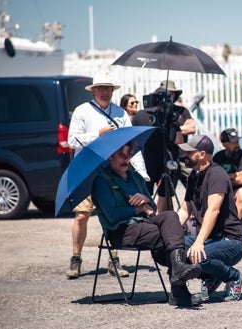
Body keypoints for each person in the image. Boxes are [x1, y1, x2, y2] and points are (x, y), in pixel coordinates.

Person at [91, 142, 202, 307]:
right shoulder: (102, 181)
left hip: (145, 224)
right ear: (110, 156)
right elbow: (112, 216)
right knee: (169, 235)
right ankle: (179, 290)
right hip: (122, 230)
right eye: (121, 155)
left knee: (171, 217)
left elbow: (153, 206)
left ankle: (178, 268)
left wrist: (145, 200)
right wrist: (137, 209)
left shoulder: (135, 177)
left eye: (128, 155)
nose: (125, 159)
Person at [66, 72, 149, 279]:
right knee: (82, 215)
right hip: (87, 170)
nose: (104, 91)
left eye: (108, 88)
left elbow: (132, 144)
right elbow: (72, 141)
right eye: (101, 88)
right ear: (93, 91)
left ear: (112, 91)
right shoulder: (82, 111)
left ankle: (114, 259)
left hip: (114, 170)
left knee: (114, 214)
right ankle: (76, 258)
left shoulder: (120, 113)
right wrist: (99, 135)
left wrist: (141, 172)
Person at [176, 135, 242, 302]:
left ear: (201, 154)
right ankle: (211, 276)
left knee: (198, 255)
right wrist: (168, 234)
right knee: (175, 247)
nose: (184, 156)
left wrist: (199, 242)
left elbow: (213, 210)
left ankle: (232, 276)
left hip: (231, 241)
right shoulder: (194, 175)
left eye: (189, 153)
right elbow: (185, 210)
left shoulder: (217, 174)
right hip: (210, 239)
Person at [133, 80, 196, 212]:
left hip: (168, 158)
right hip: (158, 159)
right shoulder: (165, 115)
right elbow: (178, 139)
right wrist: (174, 127)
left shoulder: (142, 115)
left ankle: (156, 219)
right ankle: (160, 220)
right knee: (157, 193)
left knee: (168, 191)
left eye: (171, 94)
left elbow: (191, 128)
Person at [213, 128, 242, 219]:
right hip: (222, 191)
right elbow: (213, 179)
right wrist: (232, 176)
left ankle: (234, 225)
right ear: (225, 144)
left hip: (237, 192)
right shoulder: (218, 157)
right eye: (233, 142)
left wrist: (223, 178)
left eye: (237, 141)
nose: (237, 144)